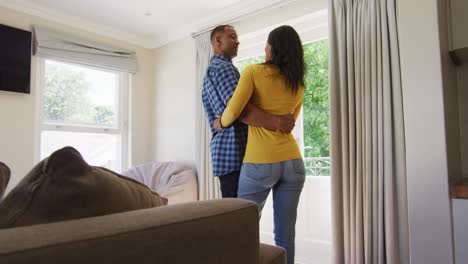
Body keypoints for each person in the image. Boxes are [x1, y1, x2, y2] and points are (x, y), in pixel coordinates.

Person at [214, 25, 306, 264]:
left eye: (267, 42)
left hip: (260, 163)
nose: (264, 47)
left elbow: (235, 109)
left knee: (241, 228)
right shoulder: (298, 83)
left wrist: (221, 123)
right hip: (294, 163)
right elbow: (289, 122)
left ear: (273, 47)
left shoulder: (253, 72)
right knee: (286, 234)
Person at [202, 25, 296, 198]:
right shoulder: (223, 68)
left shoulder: (217, 69)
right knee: (239, 216)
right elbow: (239, 109)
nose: (237, 41)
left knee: (237, 214)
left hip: (227, 153)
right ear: (217, 41)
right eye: (232, 37)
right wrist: (279, 122)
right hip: (234, 151)